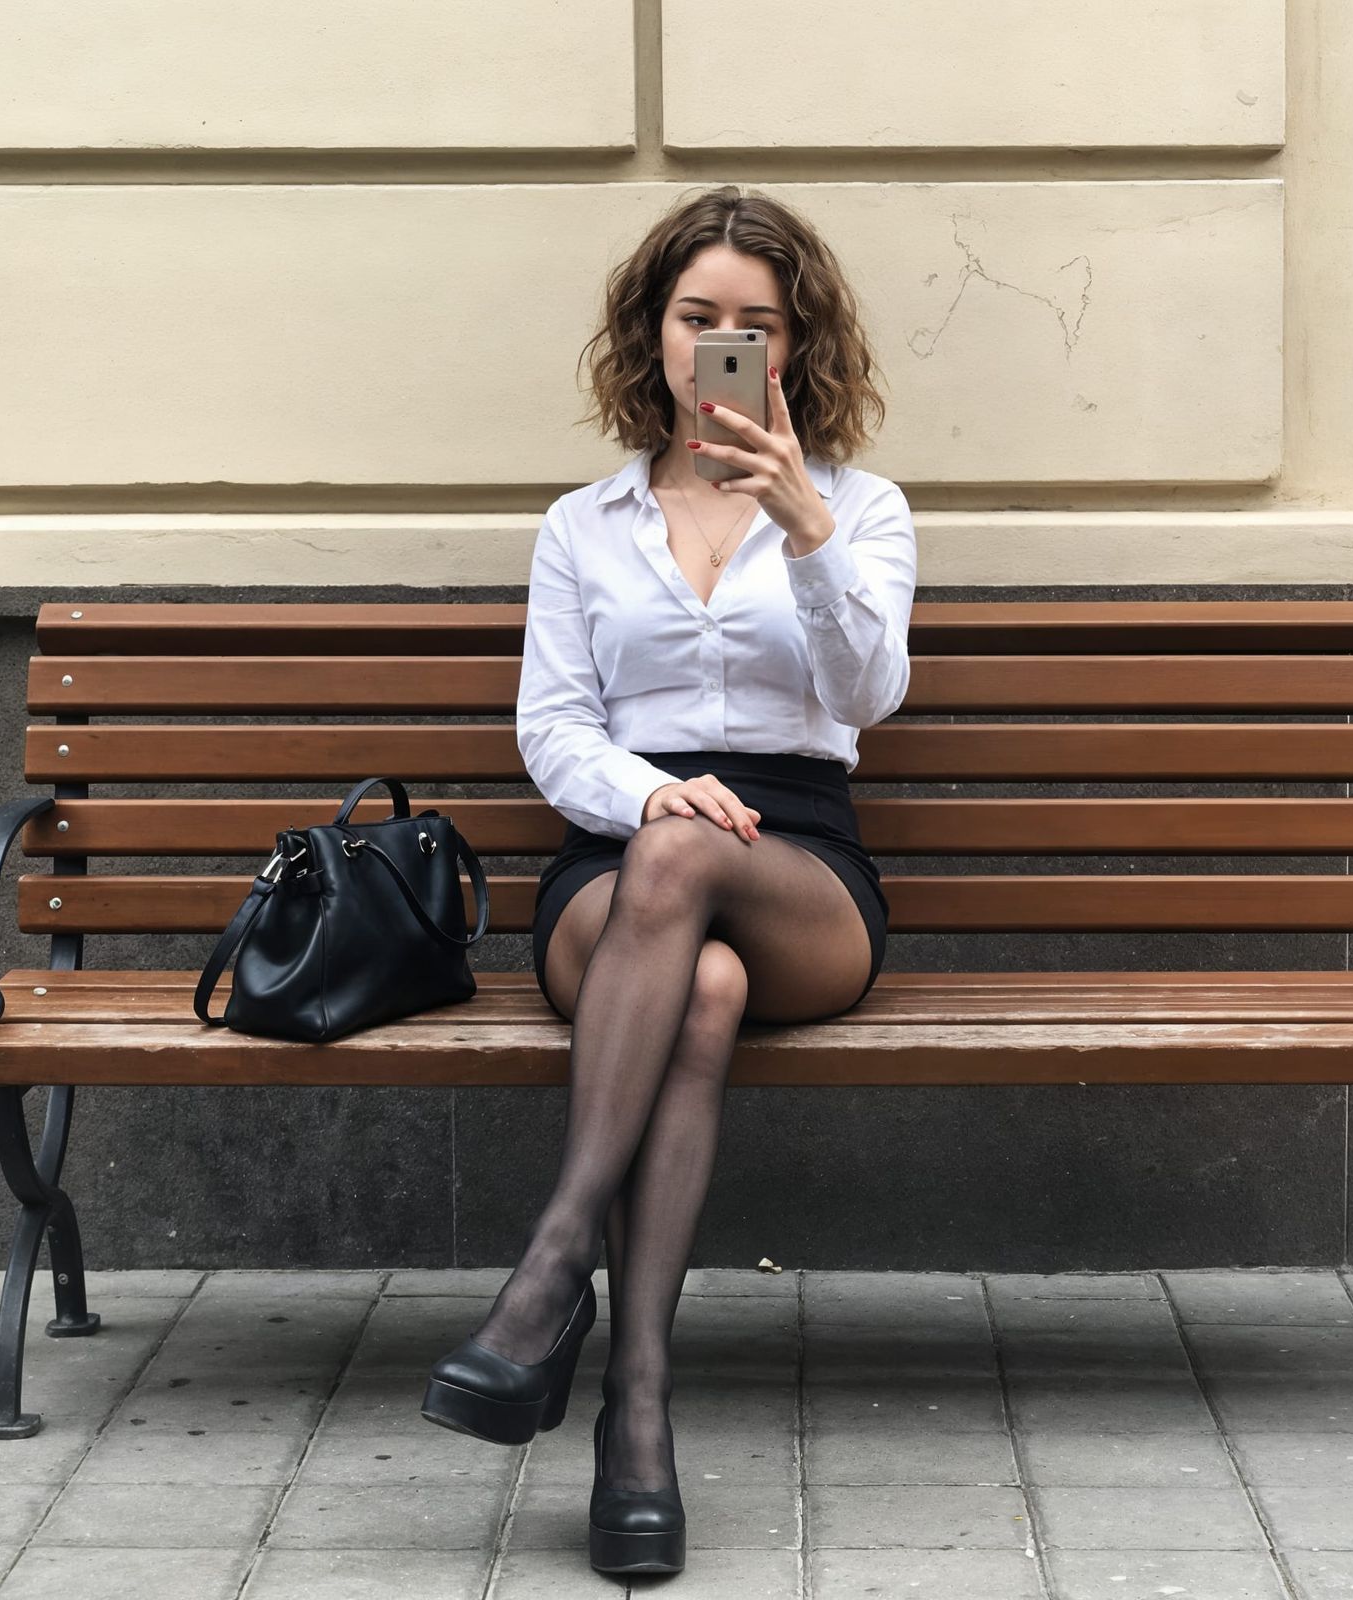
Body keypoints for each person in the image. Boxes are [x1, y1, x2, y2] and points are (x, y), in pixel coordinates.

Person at [421, 184, 917, 1577]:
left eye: (755, 324)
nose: (723, 343)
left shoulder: (862, 510)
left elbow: (867, 695)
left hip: (801, 871)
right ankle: (636, 1414)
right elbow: (552, 730)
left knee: (702, 869)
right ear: (654, 335)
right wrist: (652, 796)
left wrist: (804, 525)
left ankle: (547, 1275)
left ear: (798, 345)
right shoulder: (584, 524)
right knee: (692, 971)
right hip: (615, 874)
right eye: (700, 316)